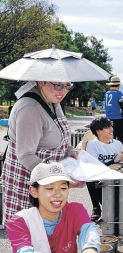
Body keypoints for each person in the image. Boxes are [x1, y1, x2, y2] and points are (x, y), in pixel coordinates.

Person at [1, 81, 79, 225]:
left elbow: (62, 136)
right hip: (28, 184)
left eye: (68, 85)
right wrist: (61, 178)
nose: (62, 90)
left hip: (50, 181)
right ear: (41, 82)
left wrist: (70, 152)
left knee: (51, 233)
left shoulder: (52, 100)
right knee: (30, 236)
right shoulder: (30, 108)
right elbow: (26, 155)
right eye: (57, 85)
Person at [86, 117, 123, 221]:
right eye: (107, 127)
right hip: (100, 178)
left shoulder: (118, 144)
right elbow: (94, 166)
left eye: (111, 126)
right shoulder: (92, 144)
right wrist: (114, 160)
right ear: (98, 131)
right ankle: (96, 208)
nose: (111, 129)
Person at [103, 75, 123, 150]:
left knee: (110, 139)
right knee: (122, 139)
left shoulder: (107, 93)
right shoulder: (119, 93)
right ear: (119, 85)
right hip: (118, 119)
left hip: (108, 120)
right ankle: (122, 154)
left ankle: (111, 153)